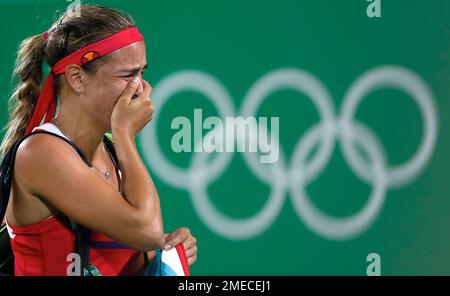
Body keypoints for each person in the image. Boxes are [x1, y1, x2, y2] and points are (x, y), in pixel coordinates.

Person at [0, 5, 197, 276]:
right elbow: (147, 231)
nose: (140, 88)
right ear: (77, 78)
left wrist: (167, 252)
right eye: (128, 75)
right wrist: (125, 135)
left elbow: (135, 249)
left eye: (142, 73)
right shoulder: (40, 152)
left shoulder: (111, 150)